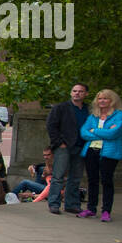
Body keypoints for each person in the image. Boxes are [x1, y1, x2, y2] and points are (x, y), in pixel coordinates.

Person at [78, 88, 122, 222]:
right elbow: (84, 132)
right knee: (92, 180)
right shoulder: (93, 115)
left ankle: (106, 211)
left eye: (105, 98)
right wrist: (103, 131)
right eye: (100, 98)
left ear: (112, 100)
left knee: (106, 181)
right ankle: (91, 209)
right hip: (91, 150)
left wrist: (94, 130)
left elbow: (114, 133)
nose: (102, 101)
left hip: (109, 152)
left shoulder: (120, 115)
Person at [45, 82, 89, 215]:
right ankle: (54, 203)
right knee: (58, 176)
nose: (77, 93)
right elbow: (51, 125)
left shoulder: (88, 110)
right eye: (74, 91)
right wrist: (59, 143)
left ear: (86, 94)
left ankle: (71, 204)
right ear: (71, 93)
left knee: (75, 177)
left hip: (81, 146)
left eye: (80, 91)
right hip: (64, 146)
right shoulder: (61, 108)